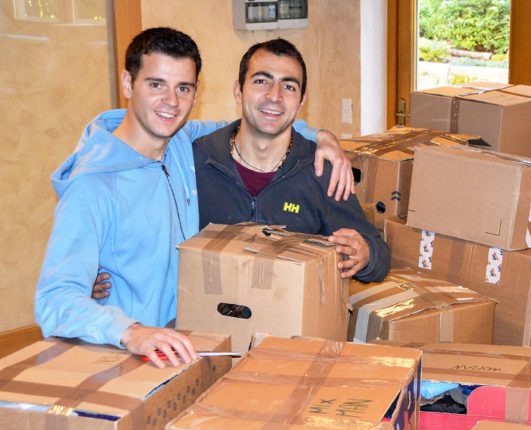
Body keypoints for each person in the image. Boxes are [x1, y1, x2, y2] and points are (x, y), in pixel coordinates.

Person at [35, 28, 353, 369]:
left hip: (188, 349)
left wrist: (323, 137)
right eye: (156, 84)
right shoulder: (92, 186)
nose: (171, 101)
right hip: (130, 359)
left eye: (183, 88)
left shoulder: (182, 141)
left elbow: (260, 120)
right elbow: (54, 299)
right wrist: (131, 331)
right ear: (128, 84)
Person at [193, 38, 389, 282]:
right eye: (261, 81)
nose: (274, 96)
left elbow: (379, 255)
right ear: (238, 91)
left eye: (288, 86)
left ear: (301, 102)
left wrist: (366, 254)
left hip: (290, 304)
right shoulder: (197, 162)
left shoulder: (321, 171)